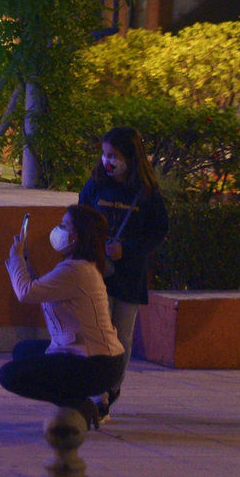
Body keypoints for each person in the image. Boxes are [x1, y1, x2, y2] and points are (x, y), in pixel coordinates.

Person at [0, 204, 127, 431]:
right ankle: (75, 399)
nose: (58, 231)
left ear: (80, 236)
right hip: (91, 355)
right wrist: (26, 261)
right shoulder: (77, 267)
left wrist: (16, 258)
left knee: (10, 375)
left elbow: (26, 293)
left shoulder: (75, 271)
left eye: (65, 226)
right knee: (23, 351)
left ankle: (76, 402)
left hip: (96, 364)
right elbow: (41, 290)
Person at [77, 127, 168, 422]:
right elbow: (80, 217)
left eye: (113, 155)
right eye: (104, 154)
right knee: (97, 331)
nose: (107, 161)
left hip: (129, 274)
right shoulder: (96, 185)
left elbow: (158, 232)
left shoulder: (147, 193)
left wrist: (127, 249)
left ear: (130, 157)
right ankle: (97, 393)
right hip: (98, 273)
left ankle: (111, 389)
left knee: (121, 335)